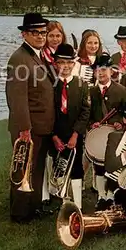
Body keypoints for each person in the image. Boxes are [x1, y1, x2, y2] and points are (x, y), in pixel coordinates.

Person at [6, 12, 55, 223]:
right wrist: (25, 129)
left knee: (36, 171)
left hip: (41, 126)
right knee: (23, 170)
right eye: (35, 33)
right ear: (24, 34)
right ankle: (19, 213)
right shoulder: (19, 59)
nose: (41, 36)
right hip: (28, 128)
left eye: (43, 32)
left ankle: (33, 207)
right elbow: (17, 98)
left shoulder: (37, 54)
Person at [52, 43, 90, 210]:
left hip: (75, 134)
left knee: (76, 168)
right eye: (61, 62)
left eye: (68, 63)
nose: (65, 66)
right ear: (55, 64)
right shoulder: (50, 85)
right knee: (58, 166)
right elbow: (48, 112)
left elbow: (85, 111)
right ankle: (62, 199)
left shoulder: (82, 84)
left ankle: (78, 204)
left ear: (74, 64)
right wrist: (54, 136)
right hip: (56, 134)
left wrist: (76, 134)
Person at [88, 53, 126, 211]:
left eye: (105, 69)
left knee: (112, 166)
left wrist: (120, 124)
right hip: (98, 135)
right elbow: (87, 114)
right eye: (98, 69)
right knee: (98, 166)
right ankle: (100, 196)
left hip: (114, 136)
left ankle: (111, 196)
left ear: (112, 71)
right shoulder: (91, 92)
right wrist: (92, 124)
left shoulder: (121, 90)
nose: (101, 73)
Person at [41, 20, 67, 205]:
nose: (55, 39)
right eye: (51, 36)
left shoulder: (65, 55)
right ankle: (44, 192)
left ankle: (58, 186)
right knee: (46, 150)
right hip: (46, 107)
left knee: (60, 150)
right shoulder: (42, 57)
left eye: (58, 35)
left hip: (62, 106)